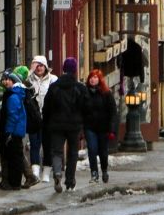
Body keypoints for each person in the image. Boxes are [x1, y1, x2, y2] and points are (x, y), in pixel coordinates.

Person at [40, 57, 87, 193]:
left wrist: (47, 122)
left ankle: (57, 173)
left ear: (63, 69)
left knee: (57, 151)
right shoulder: (79, 88)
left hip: (56, 125)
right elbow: (85, 107)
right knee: (73, 152)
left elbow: (46, 107)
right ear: (75, 71)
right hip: (74, 126)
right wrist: (82, 123)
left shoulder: (54, 87)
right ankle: (70, 180)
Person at [0, 71, 30, 190]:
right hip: (15, 131)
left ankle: (14, 183)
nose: (6, 81)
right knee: (14, 156)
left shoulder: (13, 96)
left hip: (13, 132)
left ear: (14, 82)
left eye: (9, 80)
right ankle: (12, 182)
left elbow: (12, 116)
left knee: (14, 158)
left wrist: (8, 132)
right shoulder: (14, 94)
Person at [81, 69, 118, 184]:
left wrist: (111, 129)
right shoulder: (84, 93)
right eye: (91, 77)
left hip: (103, 127)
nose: (93, 79)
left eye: (95, 77)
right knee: (92, 149)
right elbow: (81, 110)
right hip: (90, 127)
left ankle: (104, 170)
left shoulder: (106, 93)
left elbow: (113, 112)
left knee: (103, 151)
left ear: (100, 80)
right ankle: (94, 173)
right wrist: (81, 127)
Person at [26, 55, 54, 183]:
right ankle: (35, 171)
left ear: (46, 67)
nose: (39, 68)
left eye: (41, 65)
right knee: (34, 144)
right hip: (33, 118)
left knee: (48, 145)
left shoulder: (53, 80)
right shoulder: (28, 81)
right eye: (36, 65)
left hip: (48, 118)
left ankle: (46, 172)